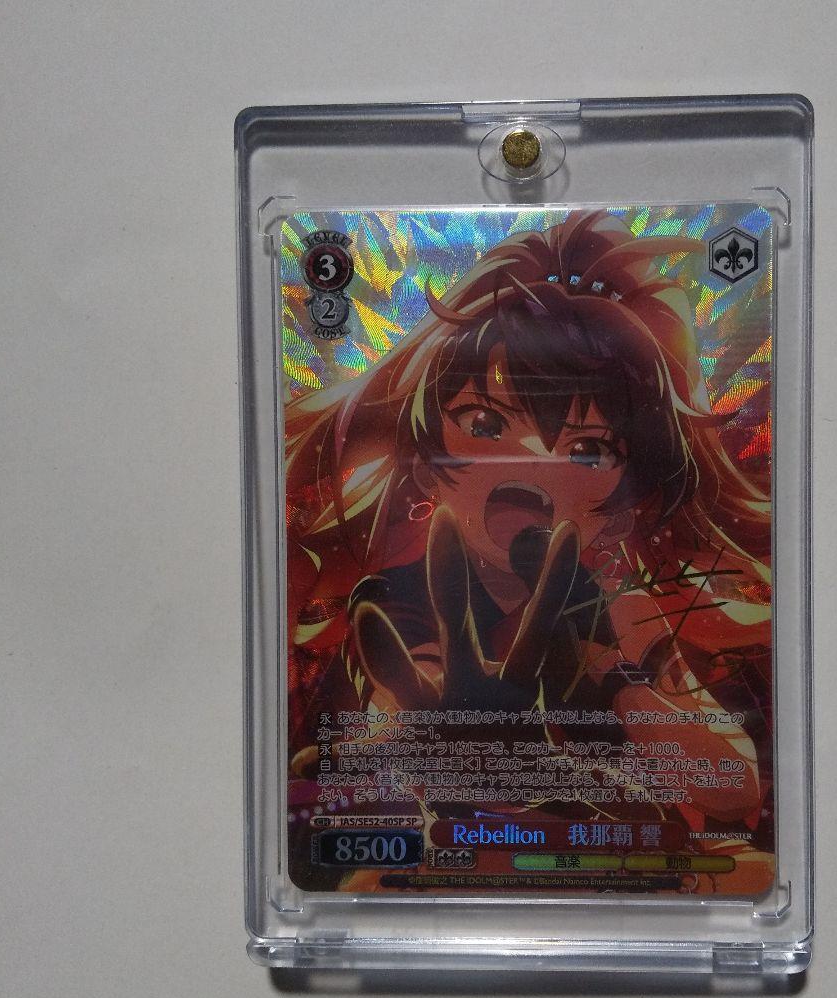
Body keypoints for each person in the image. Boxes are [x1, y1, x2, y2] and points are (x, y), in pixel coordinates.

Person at [285, 210, 773, 872]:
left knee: (747, 871)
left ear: (623, 503)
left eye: (589, 448)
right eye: (485, 424)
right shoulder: (407, 596)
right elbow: (391, 711)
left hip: (607, 870)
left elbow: (735, 790)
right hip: (457, 868)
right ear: (425, 463)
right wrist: (449, 727)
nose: (531, 469)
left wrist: (621, 682)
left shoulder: (621, 611)